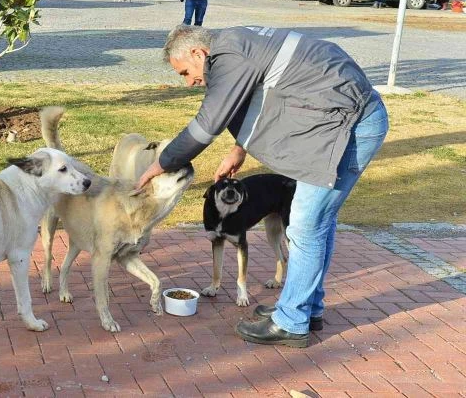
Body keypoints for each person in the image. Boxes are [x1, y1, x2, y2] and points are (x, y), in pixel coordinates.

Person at [136, 25, 388, 348]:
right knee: (317, 223)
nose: (189, 82)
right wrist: (240, 148)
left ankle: (291, 322)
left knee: (305, 225)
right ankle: (306, 307)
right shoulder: (237, 43)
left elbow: (206, 126)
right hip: (346, 118)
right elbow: (266, 94)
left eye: (186, 72)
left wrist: (159, 165)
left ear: (199, 54)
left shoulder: (228, 58)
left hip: (349, 125)